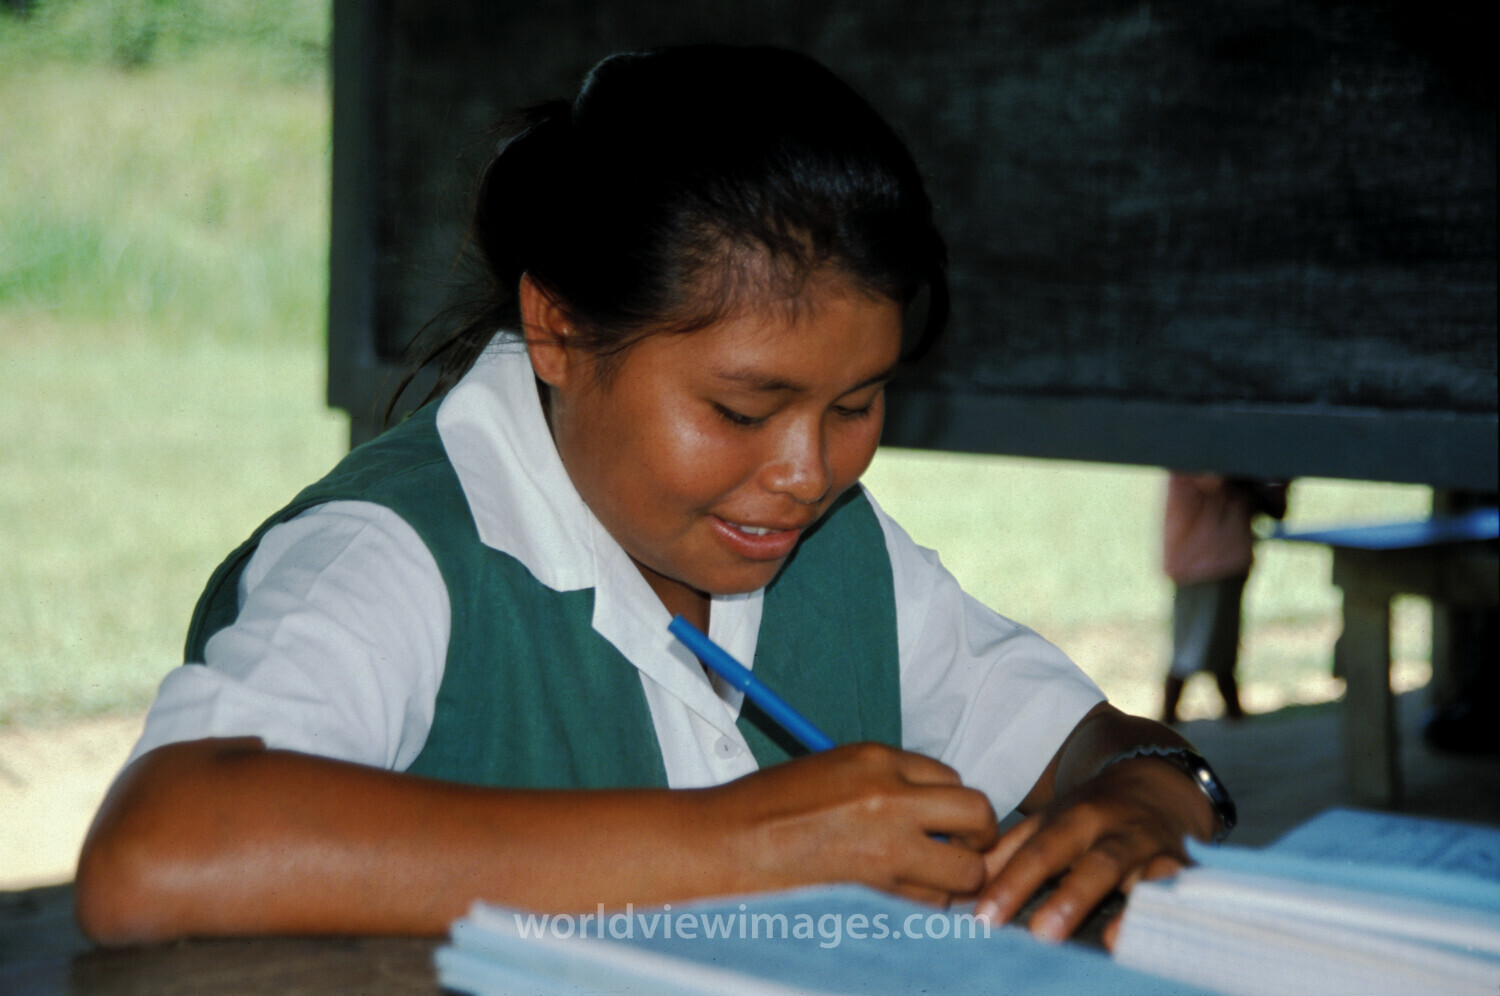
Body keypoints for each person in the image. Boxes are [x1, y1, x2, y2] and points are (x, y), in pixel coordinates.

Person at [76, 45, 1231, 948]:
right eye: (740, 410)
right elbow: (157, 853)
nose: (806, 473)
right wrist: (744, 845)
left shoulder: (837, 556)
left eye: (857, 405)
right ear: (560, 327)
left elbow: (1098, 750)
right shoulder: (397, 556)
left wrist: (1153, 799)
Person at [1160, 474, 1288, 724]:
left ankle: (1231, 717)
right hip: (1203, 560)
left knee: (1218, 648)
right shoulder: (1203, 448)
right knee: (1193, 648)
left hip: (1217, 558)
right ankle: (1174, 720)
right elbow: (1225, 480)